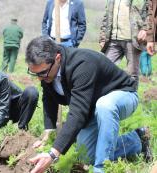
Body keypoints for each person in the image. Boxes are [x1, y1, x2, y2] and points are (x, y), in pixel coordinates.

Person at [25, 36, 151, 173]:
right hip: (92, 107)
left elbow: (78, 113)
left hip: (123, 96)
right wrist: (49, 129)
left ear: (57, 58)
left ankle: (102, 168)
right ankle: (137, 140)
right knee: (86, 156)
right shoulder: (48, 71)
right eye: (35, 74)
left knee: (105, 105)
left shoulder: (81, 64)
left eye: (42, 73)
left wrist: (52, 154)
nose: (39, 78)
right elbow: (49, 98)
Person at [99, 0, 148, 86]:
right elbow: (106, 17)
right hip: (113, 39)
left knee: (132, 74)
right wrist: (103, 37)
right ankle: (108, 93)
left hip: (133, 40)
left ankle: (131, 96)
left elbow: (149, 13)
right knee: (105, 68)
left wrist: (145, 29)